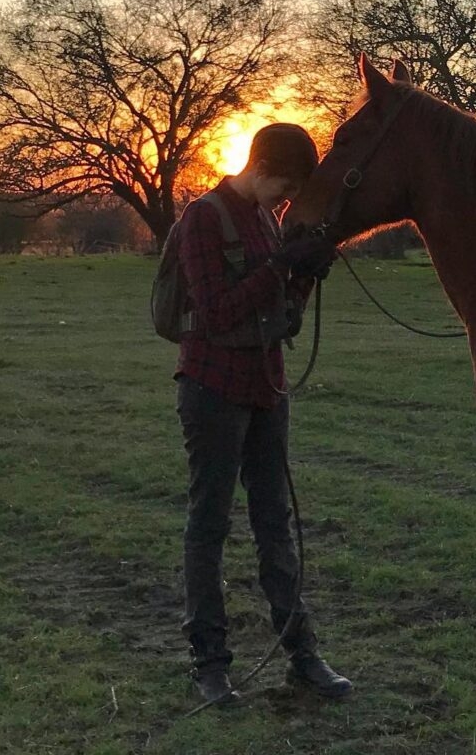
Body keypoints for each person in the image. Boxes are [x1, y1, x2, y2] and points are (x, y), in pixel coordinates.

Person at [175, 122, 351, 705]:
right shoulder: (204, 218)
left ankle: (302, 654)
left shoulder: (267, 221)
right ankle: (210, 663)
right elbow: (218, 311)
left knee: (275, 523)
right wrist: (280, 268)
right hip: (212, 389)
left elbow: (278, 318)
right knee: (211, 524)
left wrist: (304, 275)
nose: (286, 201)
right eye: (286, 187)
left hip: (265, 390)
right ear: (263, 168)